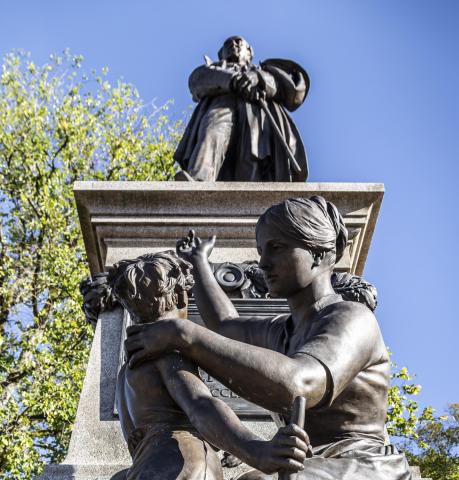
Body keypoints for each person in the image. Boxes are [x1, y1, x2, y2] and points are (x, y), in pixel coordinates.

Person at [124, 199, 414, 479]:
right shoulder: (282, 330)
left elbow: (299, 384)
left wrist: (182, 333)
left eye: (276, 248)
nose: (262, 262)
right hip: (308, 460)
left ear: (320, 253)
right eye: (261, 250)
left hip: (360, 462)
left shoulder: (353, 319)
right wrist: (199, 264)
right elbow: (226, 327)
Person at [109, 251, 310, 480]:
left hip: (145, 467)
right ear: (182, 297)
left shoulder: (128, 369)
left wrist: (230, 445)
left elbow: (135, 436)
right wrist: (255, 450)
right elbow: (200, 406)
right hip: (182, 461)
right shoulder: (167, 351)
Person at [174, 36, 309, 182]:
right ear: (221, 54)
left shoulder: (264, 72)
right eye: (228, 44)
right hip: (222, 104)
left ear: (250, 52)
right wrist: (233, 80)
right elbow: (197, 81)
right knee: (212, 133)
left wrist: (258, 78)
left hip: (257, 113)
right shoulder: (212, 69)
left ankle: (253, 199)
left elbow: (285, 87)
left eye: (239, 42)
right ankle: (199, 182)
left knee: (253, 153)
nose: (234, 44)